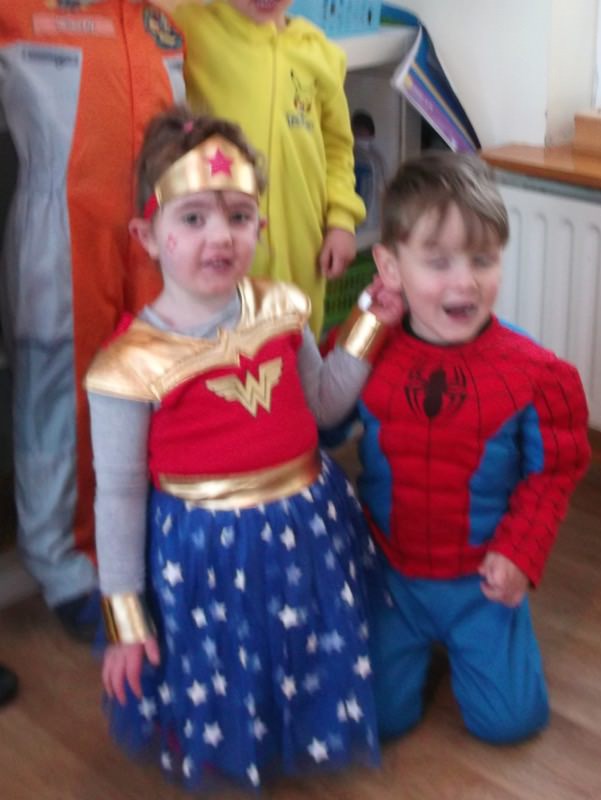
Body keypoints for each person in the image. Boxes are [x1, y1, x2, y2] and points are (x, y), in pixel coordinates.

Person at [85, 107, 398, 790]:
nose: (219, 236)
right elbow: (120, 496)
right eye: (193, 217)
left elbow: (324, 405)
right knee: (223, 661)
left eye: (238, 215)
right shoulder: (128, 365)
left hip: (303, 530)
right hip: (204, 557)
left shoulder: (282, 307)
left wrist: (371, 322)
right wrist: (126, 617)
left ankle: (298, 728)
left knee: (296, 644)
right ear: (148, 235)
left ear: (261, 224)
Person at [339, 151, 591, 743]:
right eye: (438, 261)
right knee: (378, 718)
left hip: (481, 581)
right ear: (390, 265)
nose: (465, 281)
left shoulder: (536, 373)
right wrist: (360, 326)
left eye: (483, 258)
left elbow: (554, 471)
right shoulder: (365, 349)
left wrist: (520, 553)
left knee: (510, 723)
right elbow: (318, 424)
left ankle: (488, 639)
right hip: (390, 575)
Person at [0, 0, 185, 640]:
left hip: (155, 234)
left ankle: (138, 548)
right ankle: (65, 564)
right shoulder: (18, 11)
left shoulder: (165, 23)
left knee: (155, 389)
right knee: (60, 396)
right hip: (61, 229)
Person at [171, 0, 365, 336]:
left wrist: (342, 220)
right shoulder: (191, 28)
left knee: (297, 341)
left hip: (302, 242)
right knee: (225, 347)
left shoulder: (319, 52)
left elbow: (338, 148)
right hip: (220, 239)